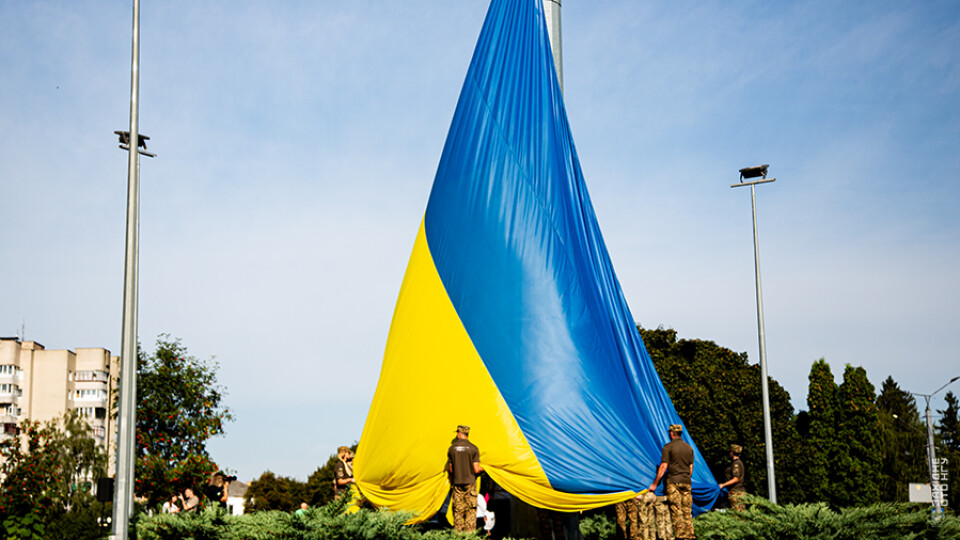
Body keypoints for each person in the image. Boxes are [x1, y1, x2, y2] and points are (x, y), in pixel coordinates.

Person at [647, 424, 695, 540]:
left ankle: (681, 537)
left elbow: (663, 467)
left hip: (674, 482)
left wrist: (655, 483)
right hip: (687, 482)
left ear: (672, 433)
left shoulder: (668, 447)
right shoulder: (689, 448)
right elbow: (690, 470)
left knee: (676, 510)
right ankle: (690, 536)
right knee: (687, 511)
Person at [447, 425, 483, 532]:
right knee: (470, 512)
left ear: (459, 433)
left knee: (458, 512)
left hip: (457, 484)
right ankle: (469, 537)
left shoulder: (451, 449)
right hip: (470, 483)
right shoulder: (473, 448)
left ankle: (458, 536)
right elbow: (476, 469)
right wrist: (485, 469)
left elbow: (451, 470)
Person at [719, 444, 746, 512]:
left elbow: (735, 479)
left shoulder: (735, 464)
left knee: (737, 515)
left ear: (732, 452)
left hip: (736, 492)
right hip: (737, 491)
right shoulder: (738, 463)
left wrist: (723, 485)